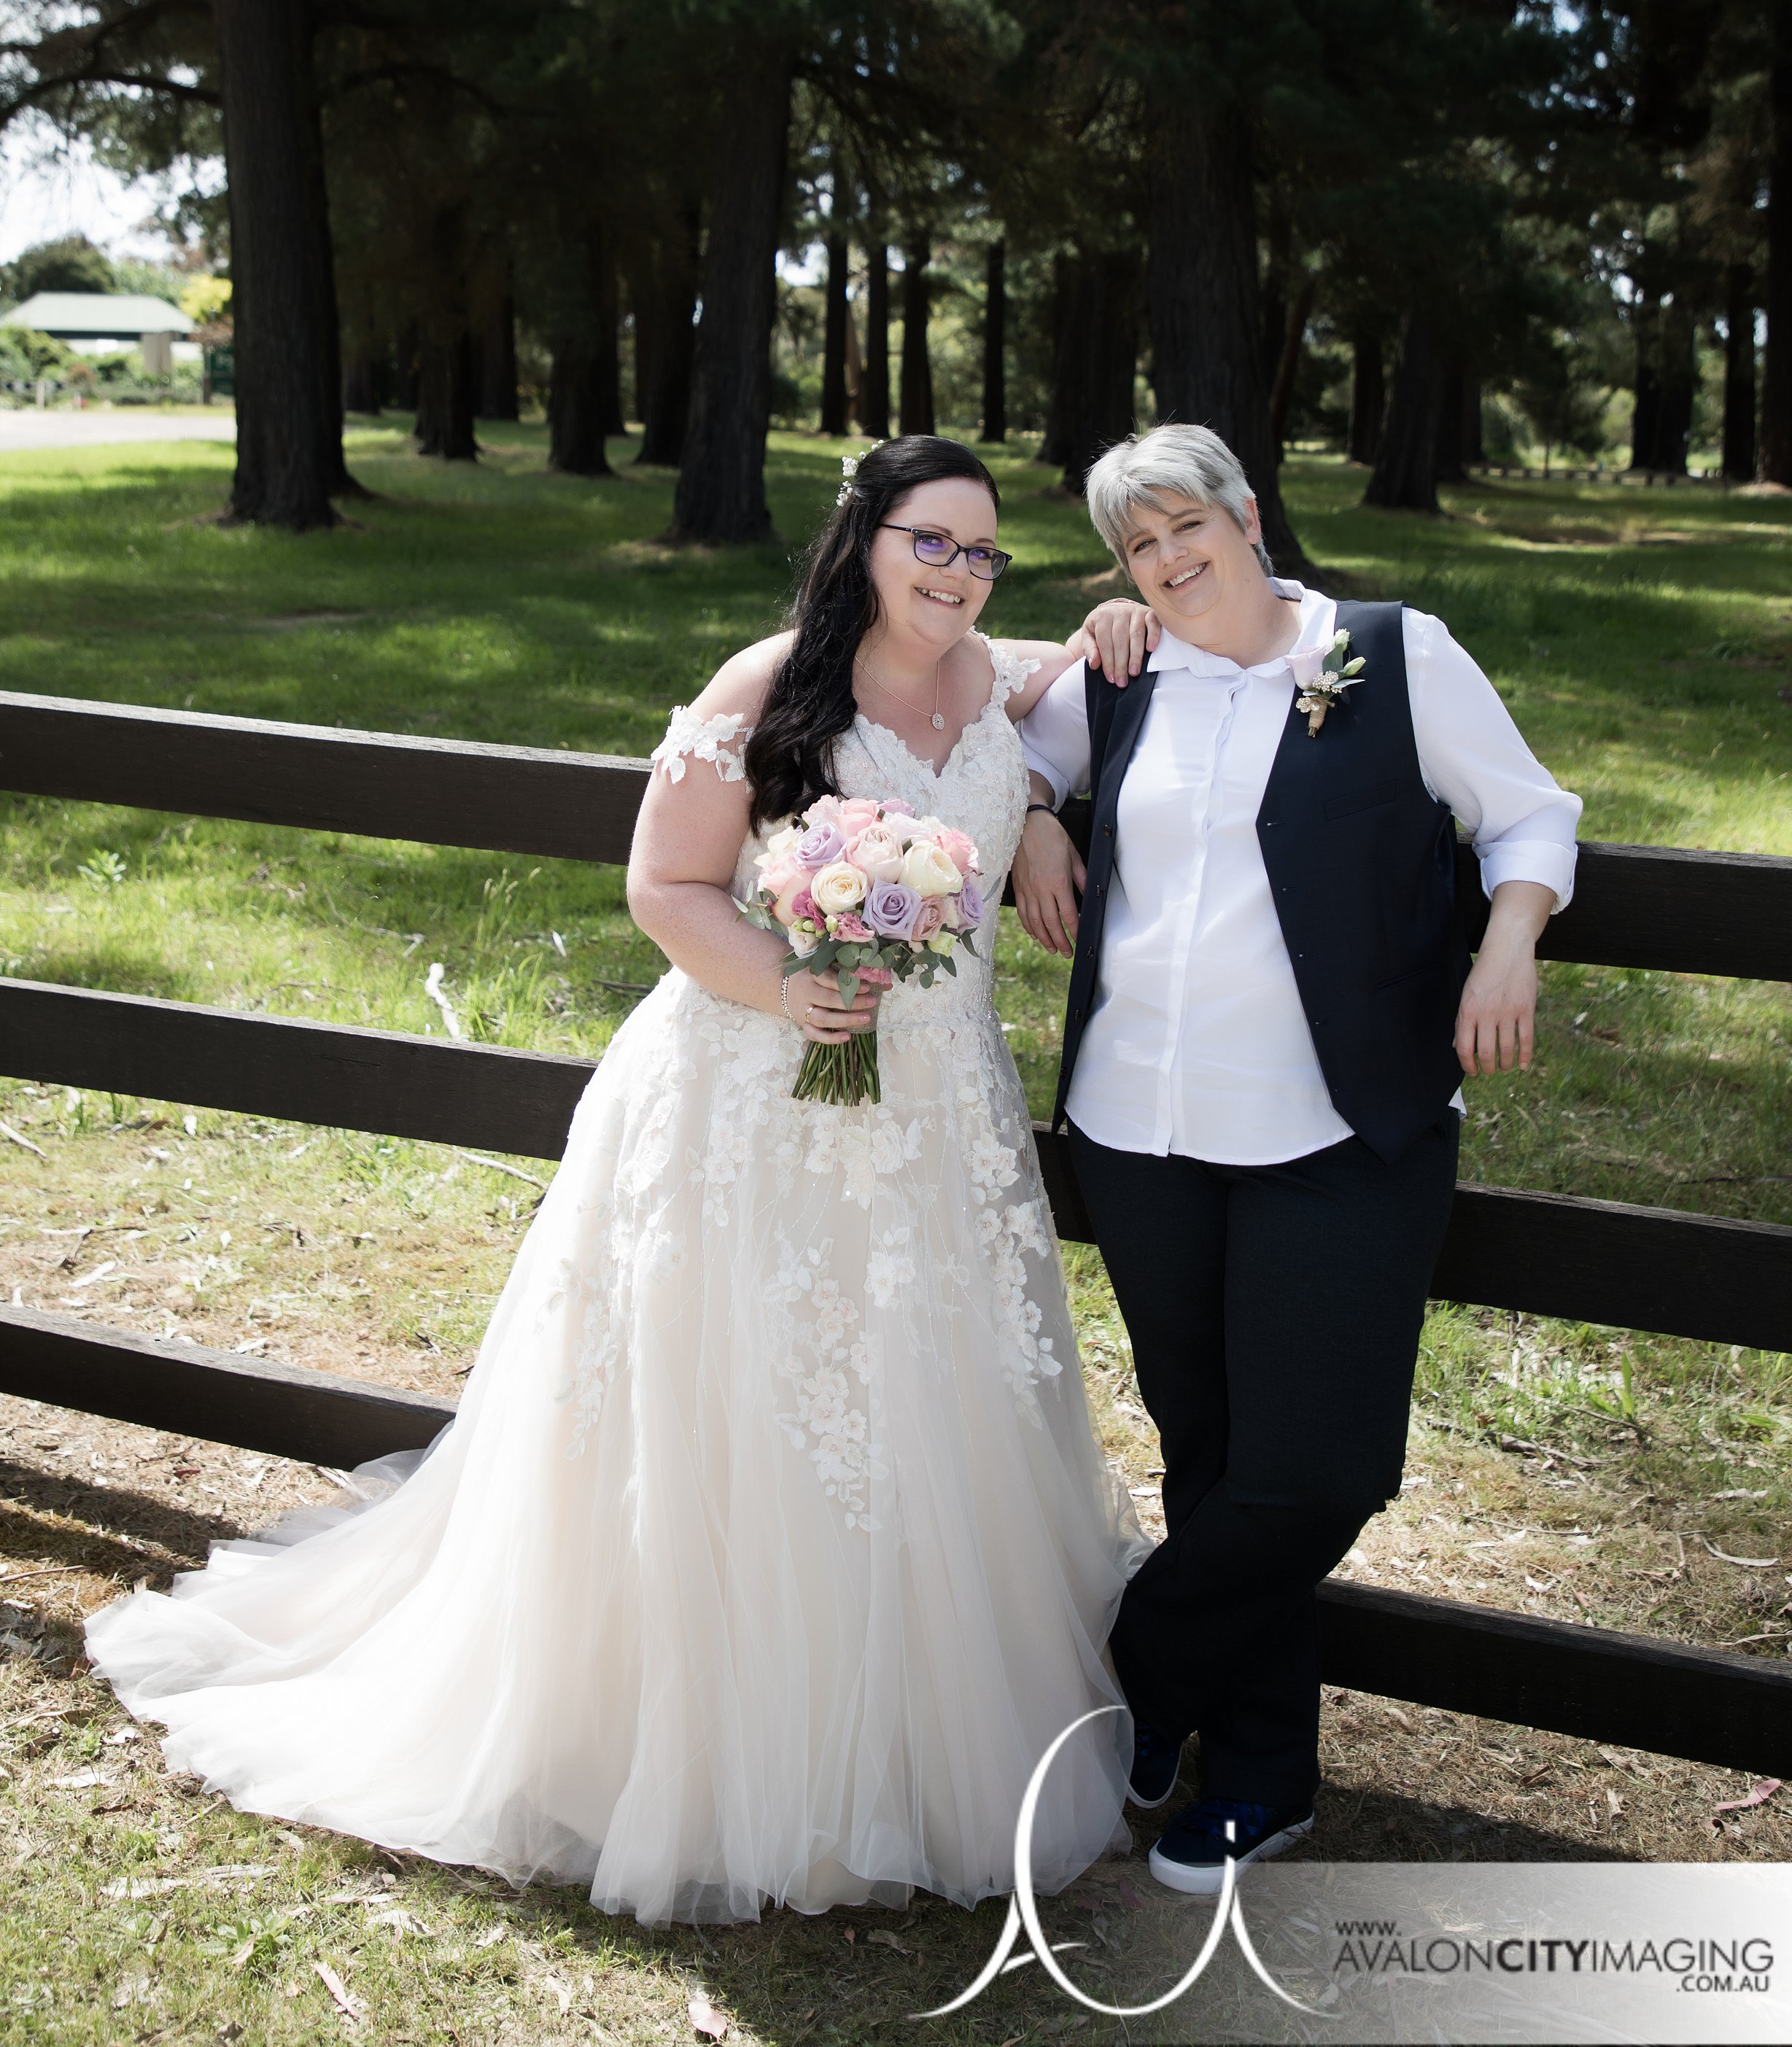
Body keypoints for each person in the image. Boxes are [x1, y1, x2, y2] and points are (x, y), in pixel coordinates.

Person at [88, 437, 1155, 1927]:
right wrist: (787, 989)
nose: (956, 576)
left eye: (982, 554)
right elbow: (663, 887)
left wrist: (1040, 797)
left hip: (936, 1116)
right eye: (931, 544)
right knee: (741, 1393)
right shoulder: (767, 683)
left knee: (923, 1392)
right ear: (865, 539)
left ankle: (916, 1737)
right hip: (753, 1085)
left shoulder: (998, 682)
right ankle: (697, 1747)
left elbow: (1168, 633)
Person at [1012, 422, 1581, 1894]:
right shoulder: (1119, 673)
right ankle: (1256, 1778)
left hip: (1341, 1127)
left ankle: (1131, 1673)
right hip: (1140, 1122)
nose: (1167, 561)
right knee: (1210, 1459)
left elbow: (1524, 811)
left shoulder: (1388, 655)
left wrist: (1505, 942)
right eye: (1135, 547)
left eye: (1183, 525)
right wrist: (1026, 821)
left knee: (1317, 1467)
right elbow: (988, 746)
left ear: (1245, 513)